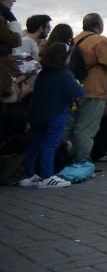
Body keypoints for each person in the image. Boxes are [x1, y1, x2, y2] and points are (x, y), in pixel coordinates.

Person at [18, 42, 84, 188]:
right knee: (51, 144)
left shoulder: (43, 73)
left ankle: (28, 175)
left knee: (35, 143)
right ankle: (47, 176)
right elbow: (78, 92)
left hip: (37, 114)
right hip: (56, 114)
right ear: (64, 57)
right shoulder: (65, 74)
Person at [64, 14, 107, 164]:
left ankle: (62, 158)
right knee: (86, 128)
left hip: (74, 90)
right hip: (93, 91)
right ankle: (81, 160)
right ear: (99, 26)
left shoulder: (75, 40)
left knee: (70, 126)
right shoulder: (100, 40)